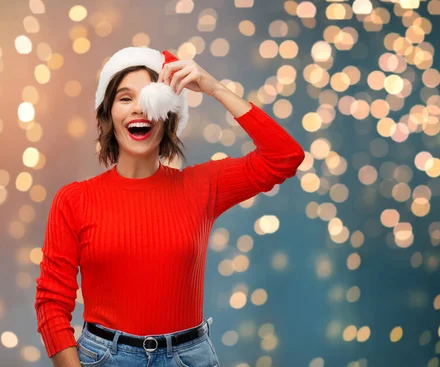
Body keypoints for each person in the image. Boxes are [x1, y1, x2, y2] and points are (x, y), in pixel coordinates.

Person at [35, 46, 305, 367]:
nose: (139, 109)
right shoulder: (74, 200)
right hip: (104, 358)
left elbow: (285, 156)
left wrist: (214, 88)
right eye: (125, 98)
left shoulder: (202, 186)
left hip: (189, 358)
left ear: (169, 115)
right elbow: (52, 303)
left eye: (150, 96)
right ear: (107, 114)